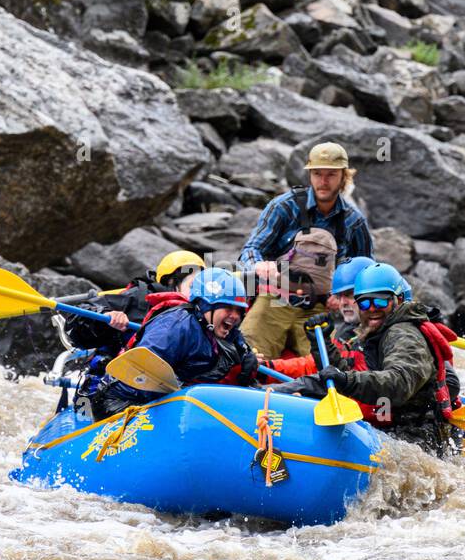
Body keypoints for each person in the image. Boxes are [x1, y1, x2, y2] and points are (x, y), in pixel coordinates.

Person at [291, 263, 463, 457]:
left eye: (380, 302)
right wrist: (321, 343)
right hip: (391, 430)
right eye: (365, 303)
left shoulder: (404, 334)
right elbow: (345, 376)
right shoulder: (375, 332)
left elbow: (399, 383)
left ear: (397, 300)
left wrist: (347, 381)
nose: (372, 309)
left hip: (419, 441)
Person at [238, 141, 373, 358]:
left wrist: (341, 296)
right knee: (247, 355)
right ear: (310, 175)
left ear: (344, 177)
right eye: (317, 173)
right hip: (273, 299)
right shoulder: (283, 206)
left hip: (319, 309)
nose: (323, 181)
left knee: (328, 367)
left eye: (331, 174)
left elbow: (367, 271)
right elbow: (251, 249)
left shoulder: (354, 221)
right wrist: (258, 265)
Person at [90, 268, 259, 419]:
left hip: (165, 400)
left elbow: (239, 346)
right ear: (206, 306)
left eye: (239, 311)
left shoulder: (219, 329)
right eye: (228, 308)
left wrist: (248, 360)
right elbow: (141, 376)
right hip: (117, 403)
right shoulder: (176, 326)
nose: (235, 316)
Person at [65, 250, 204, 397]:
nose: (197, 293)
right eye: (192, 286)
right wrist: (106, 315)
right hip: (113, 383)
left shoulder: (204, 311)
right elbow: (76, 318)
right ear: (171, 283)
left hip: (167, 387)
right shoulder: (137, 298)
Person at [266, 255, 373, 378]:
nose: (342, 302)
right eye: (339, 296)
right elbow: (314, 366)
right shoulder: (348, 331)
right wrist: (268, 367)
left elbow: (357, 384)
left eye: (349, 295)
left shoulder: (388, 335)